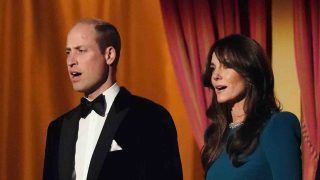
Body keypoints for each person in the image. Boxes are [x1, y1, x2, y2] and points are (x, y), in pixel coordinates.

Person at [43, 18, 183, 180]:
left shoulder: (151, 118)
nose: (71, 61)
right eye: (68, 52)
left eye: (81, 51)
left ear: (109, 55)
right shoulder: (58, 128)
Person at [201, 34, 302, 179]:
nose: (216, 75)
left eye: (227, 66)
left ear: (249, 72)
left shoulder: (277, 125)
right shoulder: (214, 135)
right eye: (213, 68)